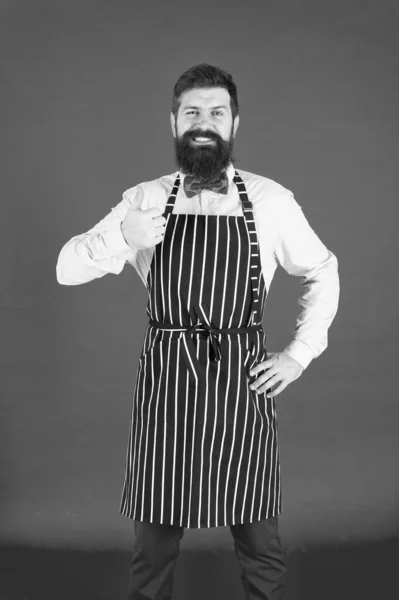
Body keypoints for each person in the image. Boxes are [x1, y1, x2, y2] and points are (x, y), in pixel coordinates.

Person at [56, 63, 339, 600]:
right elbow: (65, 268)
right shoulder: (142, 200)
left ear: (235, 123)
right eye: (193, 113)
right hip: (168, 385)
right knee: (153, 550)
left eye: (216, 112)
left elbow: (324, 270)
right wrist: (121, 234)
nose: (203, 123)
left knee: (261, 544)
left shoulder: (272, 201)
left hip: (242, 386)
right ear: (174, 123)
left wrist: (299, 354)